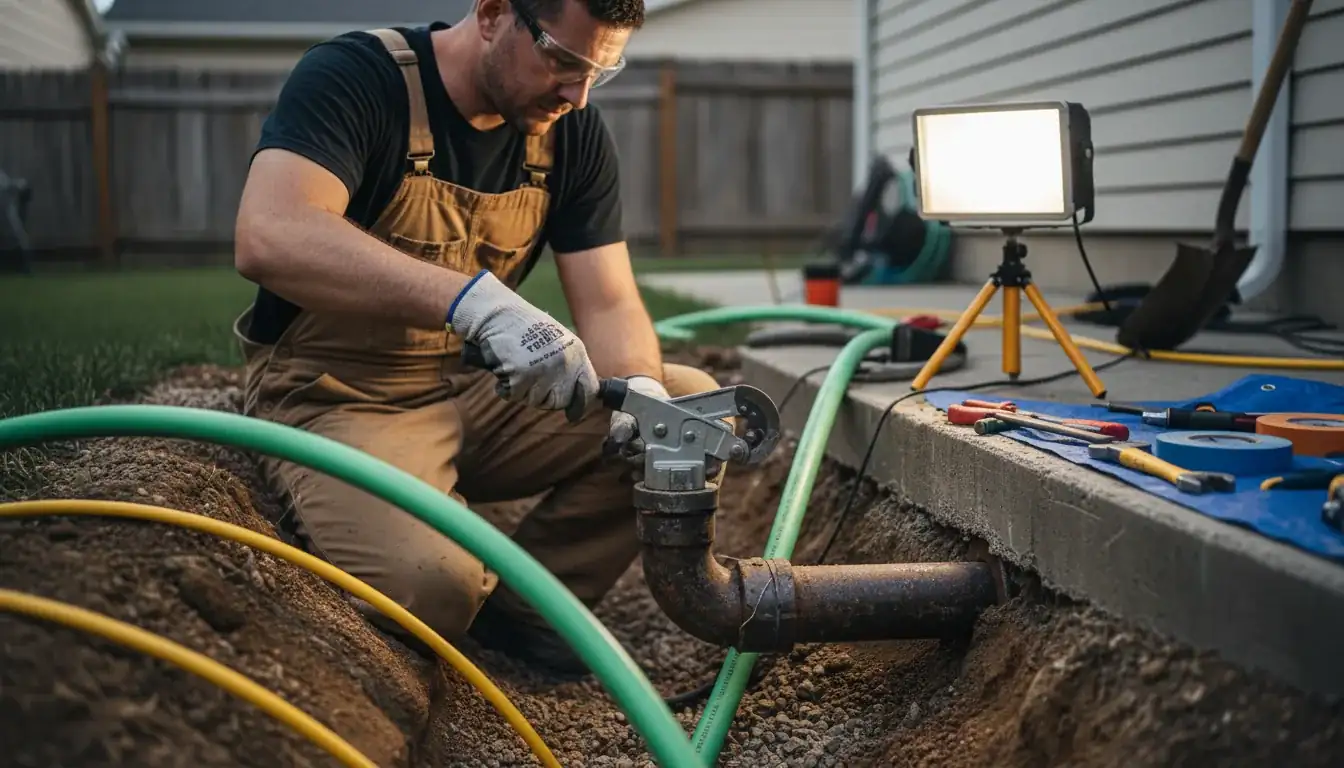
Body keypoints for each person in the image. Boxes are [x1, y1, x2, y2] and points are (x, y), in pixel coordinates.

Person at [230, 0, 725, 674]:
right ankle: (445, 582)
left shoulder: (569, 132)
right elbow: (271, 233)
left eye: (599, 74)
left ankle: (526, 613)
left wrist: (637, 386)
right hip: (340, 395)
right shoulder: (357, 77)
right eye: (563, 60)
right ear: (493, 13)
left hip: (471, 391)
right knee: (433, 587)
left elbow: (609, 300)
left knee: (683, 411)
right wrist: (470, 300)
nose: (578, 95)